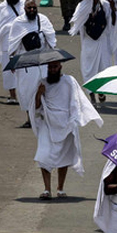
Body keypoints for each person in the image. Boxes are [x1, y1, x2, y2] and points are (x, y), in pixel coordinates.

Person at [32, 61, 104, 200]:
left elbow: (77, 101)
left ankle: (60, 188)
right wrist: (39, 94)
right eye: (50, 67)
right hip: (48, 122)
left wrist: (74, 119)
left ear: (60, 67)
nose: (52, 70)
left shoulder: (69, 81)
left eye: (55, 67)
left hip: (66, 123)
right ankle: (47, 189)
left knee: (64, 155)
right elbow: (35, 107)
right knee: (44, 155)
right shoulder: (42, 82)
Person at [6, 0, 57, 128]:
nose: (32, 10)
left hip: (42, 61)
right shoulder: (18, 23)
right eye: (29, 8)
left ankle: (43, 117)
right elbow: (13, 43)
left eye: (34, 8)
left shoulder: (43, 20)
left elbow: (51, 38)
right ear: (24, 9)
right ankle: (29, 119)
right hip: (26, 63)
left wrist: (52, 58)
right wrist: (13, 60)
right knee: (26, 91)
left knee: (43, 90)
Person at [70, 0, 115, 99]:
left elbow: (112, 23)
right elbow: (78, 23)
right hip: (89, 41)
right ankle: (91, 94)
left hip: (103, 40)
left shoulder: (105, 4)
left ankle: (101, 91)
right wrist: (90, 12)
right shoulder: (83, 6)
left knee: (103, 67)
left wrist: (113, 10)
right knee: (89, 68)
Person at [0, 0, 24, 103]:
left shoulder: (25, 5)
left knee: (23, 69)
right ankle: (12, 96)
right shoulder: (2, 7)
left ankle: (24, 94)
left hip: (21, 42)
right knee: (8, 70)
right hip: (6, 42)